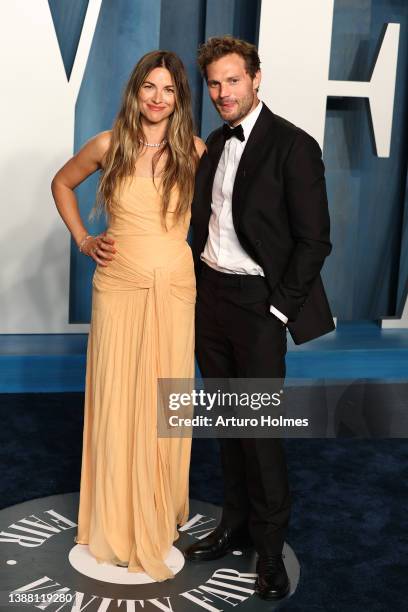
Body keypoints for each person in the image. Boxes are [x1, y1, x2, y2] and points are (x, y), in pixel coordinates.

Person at [184, 36, 334, 601]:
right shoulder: (215, 143)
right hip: (210, 298)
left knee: (261, 432)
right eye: (215, 84)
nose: (223, 93)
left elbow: (315, 240)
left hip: (257, 306)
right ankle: (234, 524)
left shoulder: (294, 146)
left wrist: (277, 310)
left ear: (256, 79)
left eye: (233, 81)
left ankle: (269, 552)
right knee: (226, 423)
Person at [51, 50, 206, 581]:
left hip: (175, 289)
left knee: (165, 397)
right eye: (149, 87)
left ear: (179, 97)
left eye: (168, 89)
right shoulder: (107, 144)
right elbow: (62, 183)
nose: (157, 97)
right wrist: (83, 239)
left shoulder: (195, 151)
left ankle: (157, 510)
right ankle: (116, 516)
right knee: (118, 396)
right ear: (135, 91)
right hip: (117, 287)